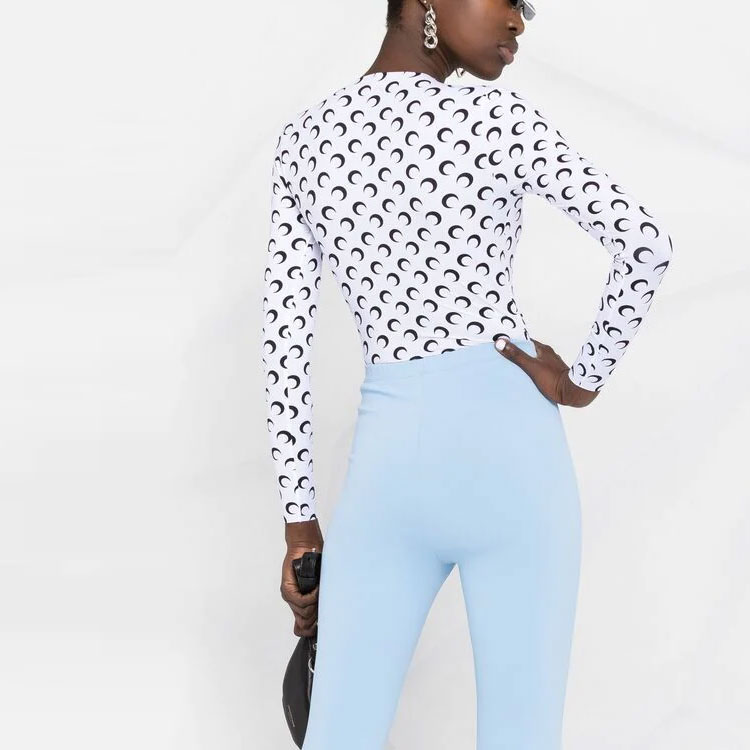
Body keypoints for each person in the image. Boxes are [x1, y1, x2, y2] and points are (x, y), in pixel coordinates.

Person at [261, 0, 673, 746]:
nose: (519, 22)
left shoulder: (306, 139)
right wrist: (580, 380)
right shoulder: (498, 119)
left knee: (339, 734)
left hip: (389, 472)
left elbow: (284, 340)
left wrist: (300, 524)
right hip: (515, 466)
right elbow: (644, 242)